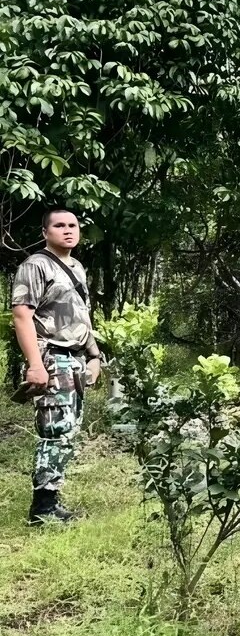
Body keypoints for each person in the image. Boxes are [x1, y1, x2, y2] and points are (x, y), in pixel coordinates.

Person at [11, 209, 103, 525]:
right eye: (59, 225)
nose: (67, 230)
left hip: (75, 358)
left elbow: (81, 317)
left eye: (72, 225)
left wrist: (93, 356)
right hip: (52, 356)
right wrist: (36, 366)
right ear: (45, 232)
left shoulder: (76, 266)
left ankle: (51, 499)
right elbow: (22, 316)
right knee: (55, 431)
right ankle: (43, 509)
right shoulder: (35, 266)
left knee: (69, 431)